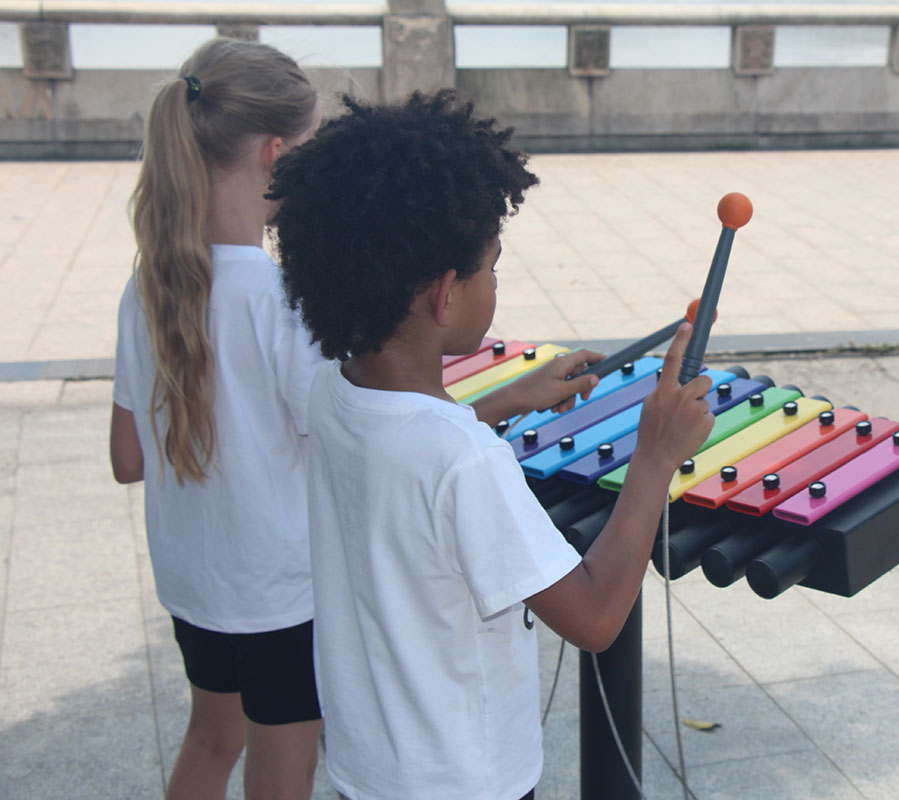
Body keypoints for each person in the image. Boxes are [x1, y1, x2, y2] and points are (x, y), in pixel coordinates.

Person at [268, 90, 715, 800]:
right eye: (493, 267)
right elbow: (595, 617)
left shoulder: (336, 391)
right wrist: (655, 456)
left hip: (370, 768)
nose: (495, 282)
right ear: (445, 295)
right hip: (465, 782)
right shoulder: (464, 461)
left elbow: (410, 458)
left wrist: (507, 401)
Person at [108, 38, 328, 800]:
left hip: (195, 582)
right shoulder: (279, 302)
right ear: (276, 154)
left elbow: (128, 457)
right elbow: (340, 441)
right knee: (283, 764)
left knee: (212, 738)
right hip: (279, 591)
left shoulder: (146, 290)